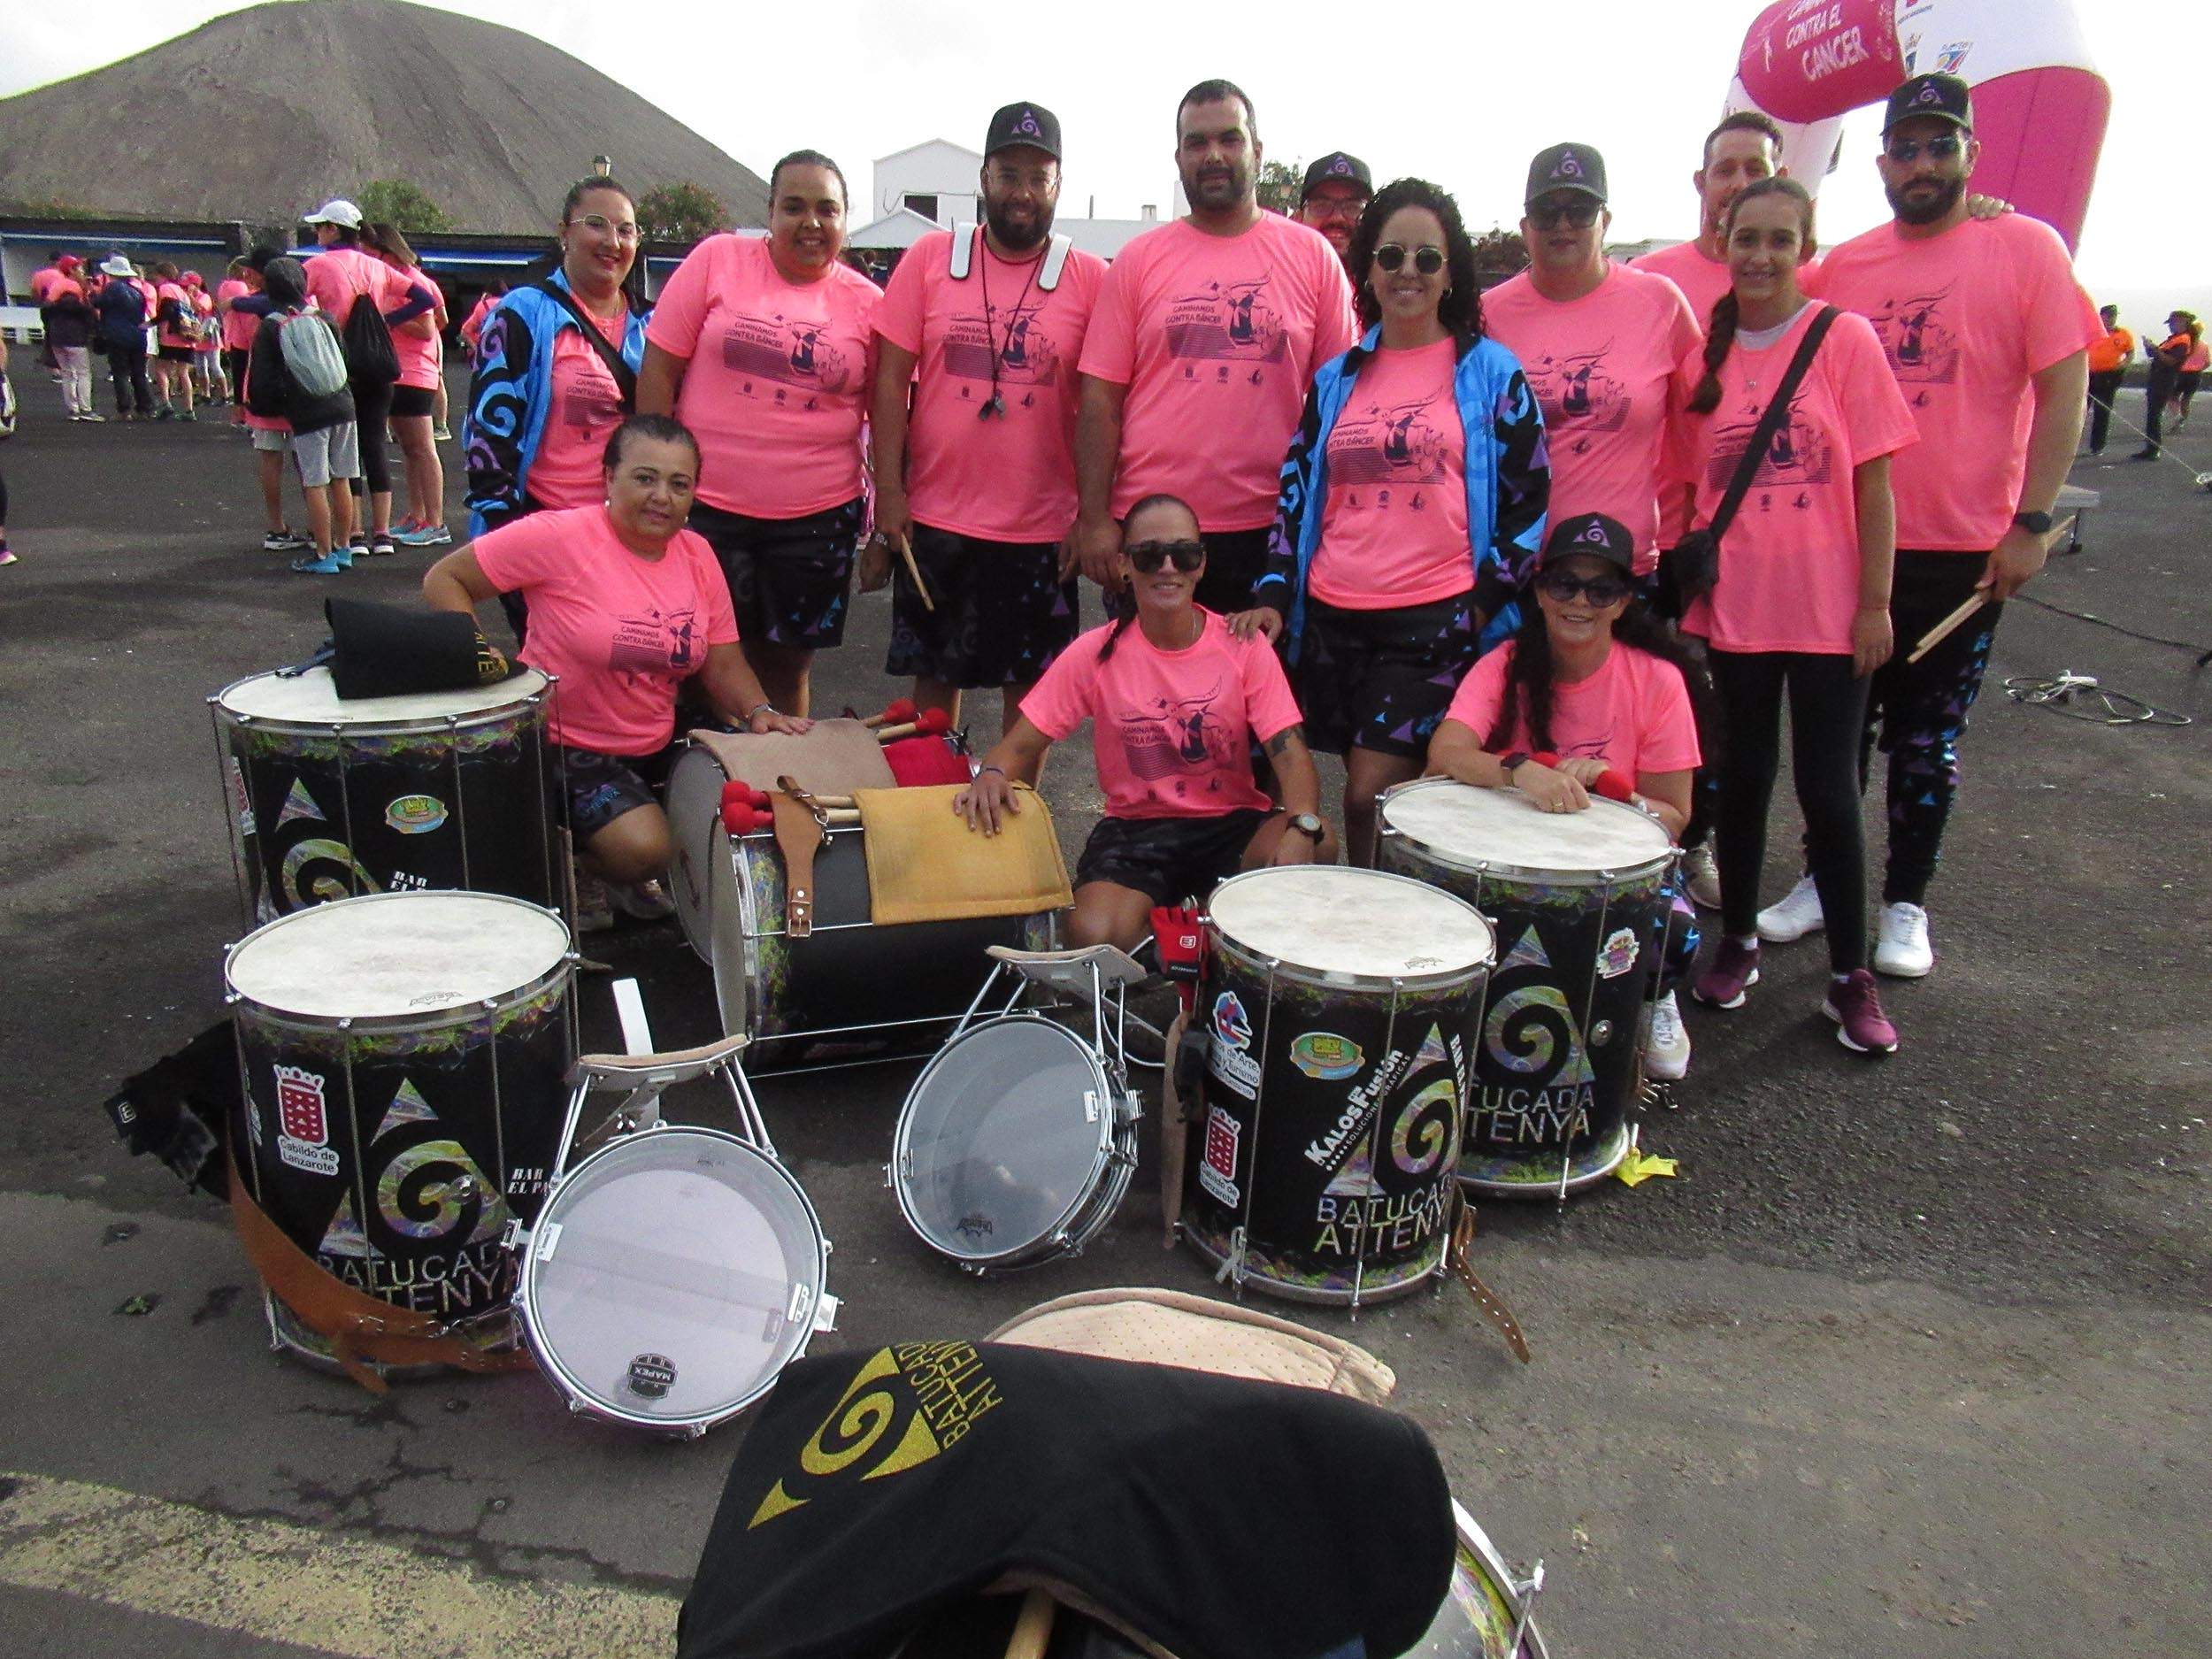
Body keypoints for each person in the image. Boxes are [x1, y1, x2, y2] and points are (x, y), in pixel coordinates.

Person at [1786, 73, 2099, 976]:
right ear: (1881, 160)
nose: (1921, 163)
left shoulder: (2025, 247)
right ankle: (1823, 880)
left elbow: (2062, 388)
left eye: (1940, 145)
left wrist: (2031, 521)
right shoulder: (1846, 263)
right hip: (1847, 546)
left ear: (1970, 153)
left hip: (1963, 549)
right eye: (1906, 147)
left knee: (1927, 739)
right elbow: (1748, 279)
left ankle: (1904, 902)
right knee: (1837, 734)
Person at [1232, 176, 1548, 864]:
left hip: (1433, 621)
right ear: (1368, 270)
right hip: (1331, 618)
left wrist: (1480, 606)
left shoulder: (1492, 373)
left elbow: (1528, 504)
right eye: (1392, 256)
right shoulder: (1336, 378)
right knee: (1303, 789)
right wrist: (1275, 593)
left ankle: (1386, 941)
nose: (1408, 272)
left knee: (1369, 795)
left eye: (1427, 259)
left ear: (1450, 274)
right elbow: (1296, 488)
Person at [1672, 177, 1916, 1054]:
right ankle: (1735, 936)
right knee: (1739, 785)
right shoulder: (1708, 353)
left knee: (1828, 793)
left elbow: (1875, 482)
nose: (1762, 256)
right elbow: (1694, 487)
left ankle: (1848, 974)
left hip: (1826, 611)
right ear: (1722, 238)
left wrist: (1874, 604)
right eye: (1747, 238)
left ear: (1804, 246)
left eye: (1781, 239)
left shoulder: (1841, 340)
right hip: (1737, 608)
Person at [422, 413, 809, 911]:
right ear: (608, 477)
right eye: (645, 478)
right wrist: (476, 658)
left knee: (766, 800)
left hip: (656, 733)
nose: (661, 497)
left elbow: (722, 660)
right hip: (564, 740)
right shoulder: (560, 536)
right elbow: (444, 579)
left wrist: (759, 712)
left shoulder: (697, 554)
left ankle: (645, 845)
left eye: (679, 484)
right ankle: (572, 866)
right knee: (644, 850)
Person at [956, 494, 1334, 952]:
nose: (1168, 567)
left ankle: (1186, 935)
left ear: (1201, 565)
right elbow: (1019, 746)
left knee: (1317, 843)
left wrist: (1303, 825)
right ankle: (1200, 935)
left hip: (1230, 823)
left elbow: (1289, 753)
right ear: (1125, 566)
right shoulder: (1095, 652)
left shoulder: (1243, 646)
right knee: (1094, 935)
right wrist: (991, 775)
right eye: (1150, 555)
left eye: (1184, 554)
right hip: (1137, 829)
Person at [1428, 512, 1705, 1079]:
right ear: (1539, 590)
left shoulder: (1658, 681)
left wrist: (1614, 791)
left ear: (1624, 602)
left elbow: (1676, 816)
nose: (1580, 601)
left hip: (1610, 866)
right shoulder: (1503, 663)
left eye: (1602, 589)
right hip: (1512, 856)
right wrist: (1520, 769)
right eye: (1564, 584)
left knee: (1675, 926)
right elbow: (1446, 754)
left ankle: (1654, 997)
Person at [864, 101, 1107, 739]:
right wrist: (888, 492)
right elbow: (888, 382)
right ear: (984, 180)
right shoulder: (929, 260)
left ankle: (1013, 816)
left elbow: (1107, 407)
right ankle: (931, 818)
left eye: (1037, 178)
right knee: (930, 702)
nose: (1022, 193)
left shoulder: (1091, 279)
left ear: (1058, 185)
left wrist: (1092, 515)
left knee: (1031, 700)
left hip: (1040, 531)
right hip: (938, 519)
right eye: (1007, 175)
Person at [1074, 81, 1357, 614]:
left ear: (1257, 151)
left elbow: (1342, 406)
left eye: (1229, 139)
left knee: (1263, 695)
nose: (1214, 156)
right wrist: (1093, 518)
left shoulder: (1313, 258)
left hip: (1273, 533)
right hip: (1154, 532)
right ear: (1178, 156)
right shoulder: (1137, 261)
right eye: (1197, 143)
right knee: (1147, 696)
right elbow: (1099, 402)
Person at [639, 150, 879, 718]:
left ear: (846, 220)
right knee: (695, 657)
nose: (811, 223)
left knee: (786, 667)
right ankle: (697, 791)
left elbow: (895, 415)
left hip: (817, 519)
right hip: (707, 511)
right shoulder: (717, 260)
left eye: (827, 209)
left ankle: (779, 791)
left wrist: (895, 509)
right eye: (793, 207)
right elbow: (659, 369)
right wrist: (654, 478)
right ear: (770, 213)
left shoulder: (871, 305)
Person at [1486, 142, 1701, 586]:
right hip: (1517, 573)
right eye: (1548, 212)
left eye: (1580, 210)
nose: (1563, 224)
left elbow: (1700, 434)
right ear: (1526, 227)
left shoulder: (1660, 304)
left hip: (1624, 570)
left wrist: (1694, 536)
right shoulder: (1486, 316)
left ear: (1605, 220)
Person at [465, 179, 649, 650]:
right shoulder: (523, 313)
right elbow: (489, 430)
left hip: (632, 534)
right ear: (563, 232)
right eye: (597, 225)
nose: (613, 242)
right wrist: (509, 533)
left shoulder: (654, 325)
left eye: (626, 231)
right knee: (559, 668)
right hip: (546, 532)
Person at [301, 197, 439, 559]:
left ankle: (354, 532)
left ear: (333, 230)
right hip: (378, 363)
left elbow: (294, 302)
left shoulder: (318, 265)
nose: (317, 233)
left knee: (346, 450)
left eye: (321, 227)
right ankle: (382, 531)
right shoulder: (376, 268)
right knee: (376, 444)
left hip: (339, 359)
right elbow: (423, 298)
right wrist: (385, 320)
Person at [245, 257, 361, 573]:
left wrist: (276, 404)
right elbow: (345, 359)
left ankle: (322, 555)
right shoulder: (325, 318)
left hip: (308, 412)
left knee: (315, 482)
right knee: (342, 478)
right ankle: (344, 548)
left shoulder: (271, 325)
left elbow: (263, 382)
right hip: (343, 405)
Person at [362, 222, 450, 547]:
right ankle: (418, 515)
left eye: (373, 254)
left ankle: (437, 521)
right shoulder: (400, 279)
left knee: (423, 449)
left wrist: (386, 321)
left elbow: (429, 328)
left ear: (387, 252)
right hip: (401, 371)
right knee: (412, 450)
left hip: (415, 372)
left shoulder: (410, 281)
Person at [93, 254, 155, 421]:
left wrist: (92, 293)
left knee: (120, 373)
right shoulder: (137, 292)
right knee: (139, 374)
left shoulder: (112, 288)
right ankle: (146, 407)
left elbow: (98, 303)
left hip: (118, 336)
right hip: (138, 336)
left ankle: (124, 409)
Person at [38, 263, 100, 422]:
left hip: (56, 337)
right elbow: (89, 313)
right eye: (80, 270)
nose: (82, 273)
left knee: (67, 374)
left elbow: (45, 311)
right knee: (83, 373)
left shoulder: (54, 294)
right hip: (75, 338)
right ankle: (86, 408)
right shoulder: (76, 294)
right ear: (72, 271)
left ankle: (73, 409)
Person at [1295, 150, 1372, 272]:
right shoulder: (1277, 282)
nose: (1337, 218)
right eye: (1322, 206)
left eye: (1352, 208)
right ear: (1299, 217)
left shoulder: (1387, 286)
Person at [2137, 311, 2199, 455]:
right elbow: (2154, 355)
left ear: (2182, 323)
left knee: (2155, 415)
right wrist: (2149, 347)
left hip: (2165, 380)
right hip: (2158, 379)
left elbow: (2171, 361)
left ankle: (2153, 449)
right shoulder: (2173, 339)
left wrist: (2156, 349)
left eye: (2172, 323)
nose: (2170, 326)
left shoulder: (2183, 341)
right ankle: (2150, 447)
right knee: (2153, 415)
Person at [148, 262, 199, 420]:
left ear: (162, 275)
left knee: (161, 368)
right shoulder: (182, 292)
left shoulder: (165, 289)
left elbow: (166, 311)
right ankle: (189, 410)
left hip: (170, 335)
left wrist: (150, 323)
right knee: (183, 372)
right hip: (187, 335)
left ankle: (166, 404)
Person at [217, 258, 260, 430]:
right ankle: (244, 415)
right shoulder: (239, 287)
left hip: (233, 337)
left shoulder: (226, 286)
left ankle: (239, 415)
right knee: (245, 377)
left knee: (239, 376)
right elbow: (247, 311)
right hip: (243, 338)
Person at [2084, 304, 2132, 455]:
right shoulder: (2091, 330)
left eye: (2113, 315)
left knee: (2103, 411)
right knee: (2081, 410)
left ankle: (2097, 445)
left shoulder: (2123, 333)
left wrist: (2124, 364)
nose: (2111, 319)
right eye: (2108, 315)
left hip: (2109, 376)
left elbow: (2130, 352)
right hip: (2089, 374)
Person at [187, 273, 226, 403]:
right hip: (197, 335)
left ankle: (224, 394)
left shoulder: (205, 297)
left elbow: (200, 307)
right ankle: (206, 393)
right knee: (200, 367)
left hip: (209, 336)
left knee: (214, 365)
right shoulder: (188, 298)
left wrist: (190, 295)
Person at [2177, 314, 2208, 427]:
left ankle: (2178, 418)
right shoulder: (2204, 345)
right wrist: (2199, 368)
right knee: (2186, 400)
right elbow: (2208, 362)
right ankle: (2182, 422)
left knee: (2173, 396)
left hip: (2183, 373)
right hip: (2196, 375)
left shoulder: (2186, 342)